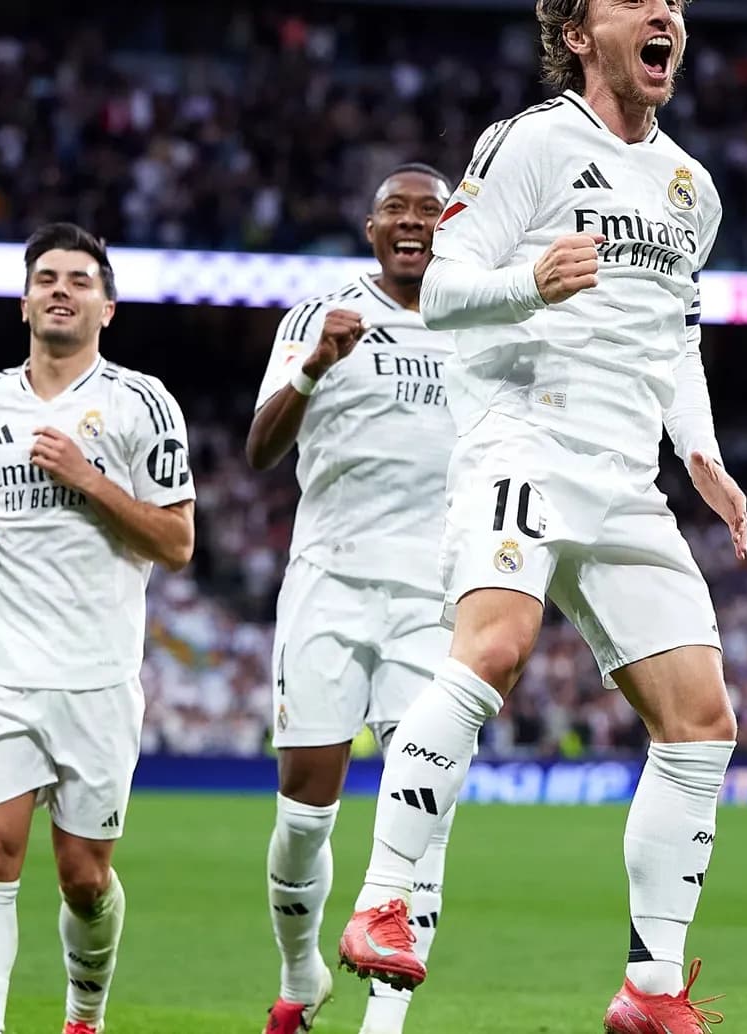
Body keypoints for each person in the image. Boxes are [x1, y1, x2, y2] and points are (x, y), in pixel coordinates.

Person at [334, 2, 746, 1032]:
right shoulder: (529, 141)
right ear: (576, 32)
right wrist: (530, 281)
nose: (666, 13)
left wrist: (701, 450)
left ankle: (651, 989)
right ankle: (384, 894)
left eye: (678, 3)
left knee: (701, 716)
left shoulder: (692, 190)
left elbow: (675, 338)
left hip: (624, 475)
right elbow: (442, 290)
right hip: (522, 435)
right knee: (498, 644)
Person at [0, 223, 196, 1034]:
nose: (60, 289)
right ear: (23, 302)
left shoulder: (141, 403)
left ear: (106, 308)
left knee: (83, 879)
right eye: (46, 277)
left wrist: (87, 479)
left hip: (98, 675)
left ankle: (85, 1014)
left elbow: (178, 543)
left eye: (79, 281)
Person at [247, 164, 460, 1034]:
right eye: (395, 211)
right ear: (372, 229)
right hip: (329, 582)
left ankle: (385, 1026)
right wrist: (311, 367)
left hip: (435, 599)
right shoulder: (320, 313)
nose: (412, 223)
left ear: (451, 229)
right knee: (304, 813)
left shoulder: (482, 323)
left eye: (429, 211)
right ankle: (302, 978)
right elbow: (259, 448)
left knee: (426, 815)